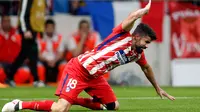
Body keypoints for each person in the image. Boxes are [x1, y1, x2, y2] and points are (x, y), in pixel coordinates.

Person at [2, 0, 175, 111]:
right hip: (79, 69)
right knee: (59, 109)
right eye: (146, 42)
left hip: (95, 77)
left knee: (113, 106)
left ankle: (74, 99)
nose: (146, 46)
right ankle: (20, 104)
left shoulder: (137, 54)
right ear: (137, 37)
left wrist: (157, 88)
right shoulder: (121, 35)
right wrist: (142, 12)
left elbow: (147, 68)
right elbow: (131, 17)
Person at [3, 0, 46, 87]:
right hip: (28, 29)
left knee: (24, 54)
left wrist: (40, 30)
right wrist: (25, 29)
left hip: (34, 29)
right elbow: (22, 14)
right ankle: (36, 79)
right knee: (33, 53)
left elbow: (39, 15)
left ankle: (9, 76)